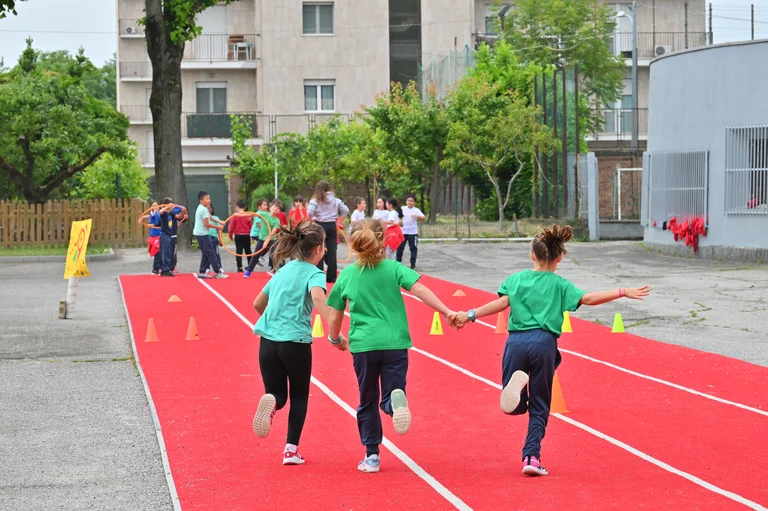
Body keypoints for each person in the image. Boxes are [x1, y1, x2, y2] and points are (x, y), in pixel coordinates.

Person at [450, 225, 650, 477]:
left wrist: (470, 314)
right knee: (540, 404)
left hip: (515, 342)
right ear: (559, 258)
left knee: (514, 406)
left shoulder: (516, 279)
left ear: (532, 255)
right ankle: (531, 457)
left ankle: (514, 401)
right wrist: (622, 291)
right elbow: (588, 299)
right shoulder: (560, 284)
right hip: (544, 343)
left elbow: (501, 303)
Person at [326, 219, 455, 473]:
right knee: (392, 391)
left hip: (364, 345)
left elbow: (335, 315)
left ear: (352, 243)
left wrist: (335, 338)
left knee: (367, 399)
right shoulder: (394, 268)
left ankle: (372, 455)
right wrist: (447, 311)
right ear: (384, 240)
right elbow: (421, 290)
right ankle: (393, 403)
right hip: (395, 342)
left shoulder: (348, 276)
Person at [251, 220, 348, 465]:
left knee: (277, 394)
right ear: (318, 250)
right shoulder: (314, 273)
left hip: (268, 342)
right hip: (295, 342)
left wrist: (275, 322)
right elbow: (318, 298)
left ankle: (272, 402)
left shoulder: (282, 270)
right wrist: (335, 334)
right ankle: (290, 450)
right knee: (300, 395)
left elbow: (257, 304)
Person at [307, 181, 349, 283]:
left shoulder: (316, 200)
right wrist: (339, 221)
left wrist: (312, 221)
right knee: (332, 251)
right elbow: (346, 210)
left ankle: (319, 274)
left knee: (318, 249)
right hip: (331, 225)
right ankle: (331, 277)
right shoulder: (335, 200)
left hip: (319, 225)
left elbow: (309, 212)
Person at [193, 191, 227, 279]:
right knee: (210, 252)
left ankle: (202, 271)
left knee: (206, 252)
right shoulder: (203, 209)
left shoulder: (202, 208)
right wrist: (218, 227)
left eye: (209, 198)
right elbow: (207, 224)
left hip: (201, 233)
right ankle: (218, 271)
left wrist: (219, 221)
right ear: (201, 200)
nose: (209, 200)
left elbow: (210, 217)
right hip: (202, 234)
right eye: (207, 199)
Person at [245, 202, 281, 277]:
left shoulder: (277, 221)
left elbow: (272, 233)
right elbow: (253, 215)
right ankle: (248, 271)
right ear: (270, 208)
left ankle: (276, 271)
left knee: (274, 255)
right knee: (256, 255)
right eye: (274, 207)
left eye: (278, 208)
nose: (276, 209)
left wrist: (267, 241)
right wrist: (240, 214)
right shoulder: (265, 214)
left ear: (279, 212)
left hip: (271, 239)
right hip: (261, 238)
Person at [157, 198, 186, 277]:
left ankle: (167, 269)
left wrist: (183, 212)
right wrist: (166, 207)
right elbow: (160, 212)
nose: (173, 206)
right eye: (171, 205)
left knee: (169, 253)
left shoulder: (171, 214)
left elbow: (179, 216)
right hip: (164, 235)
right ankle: (165, 270)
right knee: (165, 253)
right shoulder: (164, 214)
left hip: (169, 235)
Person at [396, 194, 425, 270]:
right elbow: (396, 217)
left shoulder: (416, 210)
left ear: (414, 202)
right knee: (400, 248)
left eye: (412, 201)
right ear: (406, 201)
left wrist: (417, 216)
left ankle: (413, 264)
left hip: (412, 232)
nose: (410, 202)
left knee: (413, 248)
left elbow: (423, 217)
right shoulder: (402, 209)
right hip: (402, 232)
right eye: (408, 200)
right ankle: (398, 263)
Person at [229, 200, 253, 273]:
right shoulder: (248, 215)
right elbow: (251, 226)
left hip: (238, 235)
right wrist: (252, 236)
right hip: (246, 235)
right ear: (245, 207)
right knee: (248, 251)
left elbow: (231, 227)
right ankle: (250, 266)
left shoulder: (235, 216)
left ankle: (239, 267)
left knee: (239, 251)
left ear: (237, 207)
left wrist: (230, 235)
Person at [139, 202, 162, 274]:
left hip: (160, 236)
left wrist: (142, 217)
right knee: (157, 252)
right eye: (153, 206)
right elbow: (152, 214)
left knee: (161, 252)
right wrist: (141, 218)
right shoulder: (153, 214)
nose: (155, 207)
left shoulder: (159, 214)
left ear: (159, 207)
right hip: (155, 237)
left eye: (156, 205)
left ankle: (159, 267)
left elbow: (148, 216)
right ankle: (156, 268)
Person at [249, 199, 270, 268]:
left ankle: (255, 260)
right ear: (259, 207)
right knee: (267, 244)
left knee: (268, 245)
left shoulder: (267, 214)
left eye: (267, 205)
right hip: (256, 233)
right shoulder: (258, 214)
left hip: (262, 234)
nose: (266, 207)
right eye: (264, 205)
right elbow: (259, 225)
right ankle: (258, 257)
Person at [207, 205, 224, 273]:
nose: (208, 209)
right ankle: (206, 267)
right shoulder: (204, 218)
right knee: (206, 253)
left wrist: (220, 239)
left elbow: (219, 229)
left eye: (210, 208)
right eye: (207, 208)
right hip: (206, 237)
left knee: (216, 253)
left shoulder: (216, 218)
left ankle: (219, 266)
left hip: (214, 238)